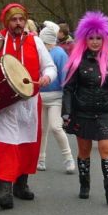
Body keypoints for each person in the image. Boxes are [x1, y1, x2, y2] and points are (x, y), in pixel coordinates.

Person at [0, 3, 57, 210]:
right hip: (3, 102)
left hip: (29, 102)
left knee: (26, 143)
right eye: (14, 20)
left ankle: (21, 184)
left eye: (21, 19)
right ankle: (3, 190)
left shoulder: (35, 41)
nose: (18, 23)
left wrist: (46, 77)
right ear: (6, 22)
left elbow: (50, 67)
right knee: (3, 144)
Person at [62, 11, 108, 204]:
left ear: (105, 39)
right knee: (84, 151)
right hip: (82, 112)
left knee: (106, 148)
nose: (95, 42)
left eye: (99, 38)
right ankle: (84, 183)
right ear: (85, 39)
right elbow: (68, 89)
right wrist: (66, 112)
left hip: (105, 112)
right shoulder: (78, 61)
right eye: (91, 38)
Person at [36, 21, 75, 174]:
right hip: (40, 96)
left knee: (55, 127)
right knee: (41, 129)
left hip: (56, 98)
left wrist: (67, 102)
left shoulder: (59, 54)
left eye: (44, 42)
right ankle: (41, 159)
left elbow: (65, 78)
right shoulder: (39, 52)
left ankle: (68, 158)